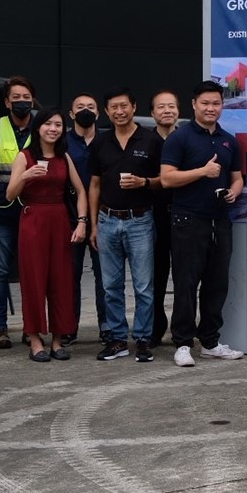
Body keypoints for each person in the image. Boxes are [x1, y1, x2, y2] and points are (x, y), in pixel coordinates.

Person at [160, 80, 247, 366]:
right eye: (205, 103)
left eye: (216, 103)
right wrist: (202, 171)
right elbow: (167, 178)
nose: (211, 108)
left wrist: (235, 191)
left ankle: (210, 341)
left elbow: (236, 177)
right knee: (186, 283)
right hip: (187, 219)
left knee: (217, 283)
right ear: (194, 105)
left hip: (220, 220)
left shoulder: (229, 140)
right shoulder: (180, 138)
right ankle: (183, 343)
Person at [6, 108, 90, 362]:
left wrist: (82, 222)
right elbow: (10, 195)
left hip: (59, 220)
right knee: (34, 280)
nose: (52, 129)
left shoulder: (64, 157)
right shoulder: (25, 156)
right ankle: (34, 339)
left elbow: (81, 191)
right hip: (33, 220)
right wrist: (25, 176)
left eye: (57, 124)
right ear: (38, 127)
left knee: (60, 281)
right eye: (47, 124)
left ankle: (57, 340)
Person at [87, 87, 163, 363]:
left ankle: (143, 339)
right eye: (113, 108)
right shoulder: (100, 142)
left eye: (124, 106)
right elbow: (94, 185)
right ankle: (118, 339)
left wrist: (143, 182)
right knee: (111, 286)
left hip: (140, 220)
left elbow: (164, 179)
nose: (119, 112)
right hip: (107, 220)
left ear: (133, 107)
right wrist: (93, 224)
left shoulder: (151, 140)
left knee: (144, 285)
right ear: (106, 112)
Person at [0, 76, 36, 349]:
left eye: (26, 97)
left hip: (33, 209)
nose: (21, 102)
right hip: (1, 209)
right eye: (16, 98)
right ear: (6, 102)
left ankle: (31, 327)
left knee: (30, 271)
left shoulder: (43, 125)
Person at [64, 93, 106, 347]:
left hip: (104, 218)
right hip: (70, 218)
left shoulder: (108, 140)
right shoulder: (63, 141)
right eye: (80, 107)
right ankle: (69, 328)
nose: (85, 111)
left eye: (91, 107)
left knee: (106, 277)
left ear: (98, 113)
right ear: (71, 114)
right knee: (70, 276)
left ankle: (107, 327)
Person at [148, 89, 181, 346]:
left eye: (171, 106)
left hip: (184, 216)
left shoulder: (188, 139)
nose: (167, 110)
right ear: (152, 113)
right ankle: (155, 327)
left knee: (184, 276)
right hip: (153, 217)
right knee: (155, 276)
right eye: (161, 107)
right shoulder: (145, 143)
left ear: (179, 110)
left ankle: (182, 329)